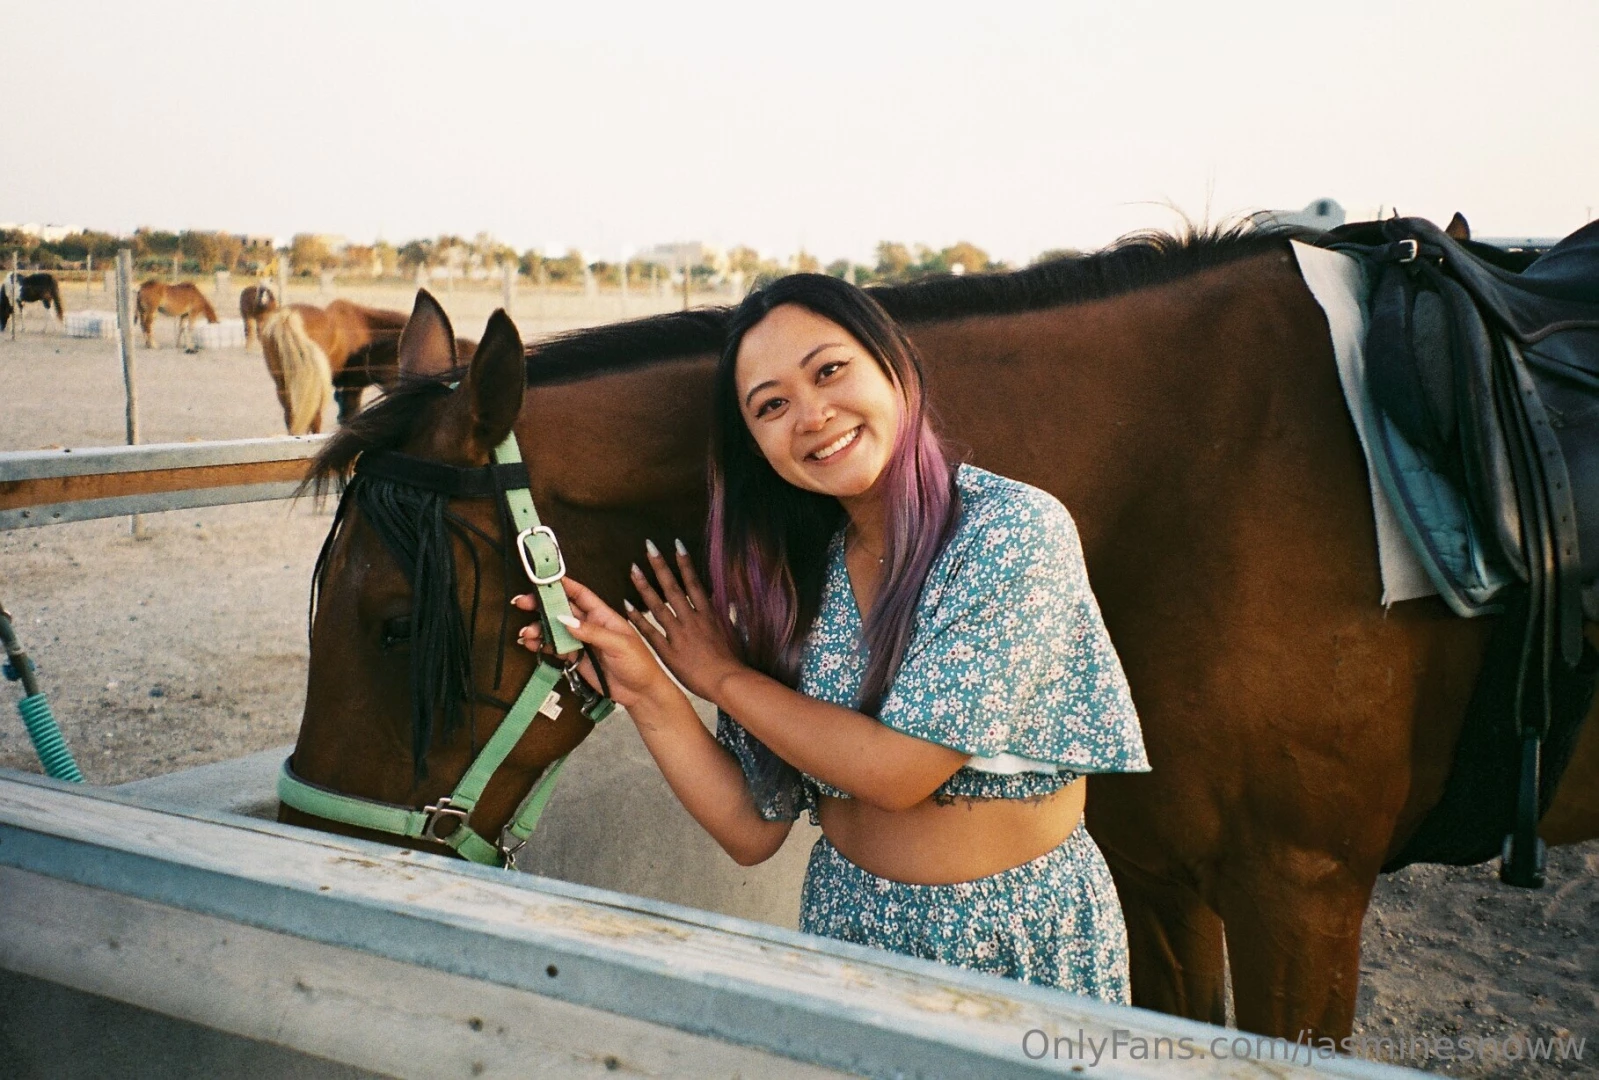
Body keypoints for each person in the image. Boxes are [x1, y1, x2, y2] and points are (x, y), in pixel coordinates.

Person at [513, 274, 1149, 1000]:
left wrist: (720, 676)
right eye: (772, 405)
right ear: (754, 444)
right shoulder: (788, 579)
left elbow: (898, 772)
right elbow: (752, 830)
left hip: (1012, 937)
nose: (811, 415)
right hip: (844, 931)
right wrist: (648, 683)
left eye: (829, 371)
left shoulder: (1009, 532)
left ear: (894, 365)